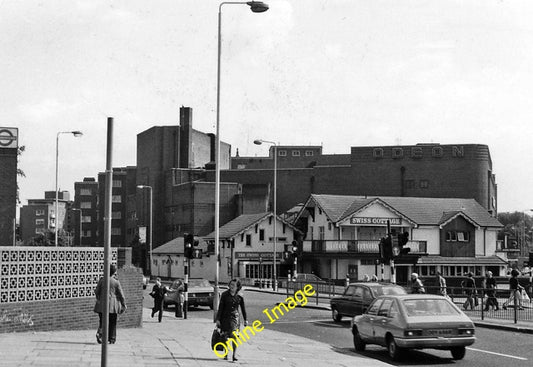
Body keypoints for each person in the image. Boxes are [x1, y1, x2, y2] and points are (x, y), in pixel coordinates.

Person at [215, 279, 248, 361]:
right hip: (225, 318)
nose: (231, 286)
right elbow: (220, 308)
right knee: (225, 336)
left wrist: (245, 319)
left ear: (237, 287)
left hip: (235, 319)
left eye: (233, 285)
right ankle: (226, 354)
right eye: (230, 284)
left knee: (234, 336)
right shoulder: (224, 295)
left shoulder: (240, 296)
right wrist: (218, 319)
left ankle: (234, 355)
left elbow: (243, 309)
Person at [94, 264, 127, 344]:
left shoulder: (102, 280)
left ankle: (100, 334)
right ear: (114, 272)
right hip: (113, 305)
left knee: (102, 321)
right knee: (112, 322)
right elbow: (121, 294)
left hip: (102, 305)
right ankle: (112, 338)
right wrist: (123, 304)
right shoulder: (116, 282)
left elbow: (96, 291)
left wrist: (99, 298)